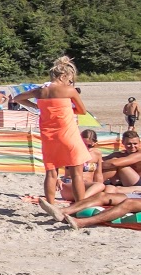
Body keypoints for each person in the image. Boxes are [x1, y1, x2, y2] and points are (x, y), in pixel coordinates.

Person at [15, 56, 91, 205]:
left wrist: (36, 106)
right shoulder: (69, 91)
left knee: (51, 172)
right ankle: (80, 205)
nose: (70, 83)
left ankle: (50, 205)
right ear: (63, 76)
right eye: (69, 80)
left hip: (49, 135)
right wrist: (67, 109)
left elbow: (17, 98)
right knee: (76, 173)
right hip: (68, 133)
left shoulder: (40, 91)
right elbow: (82, 111)